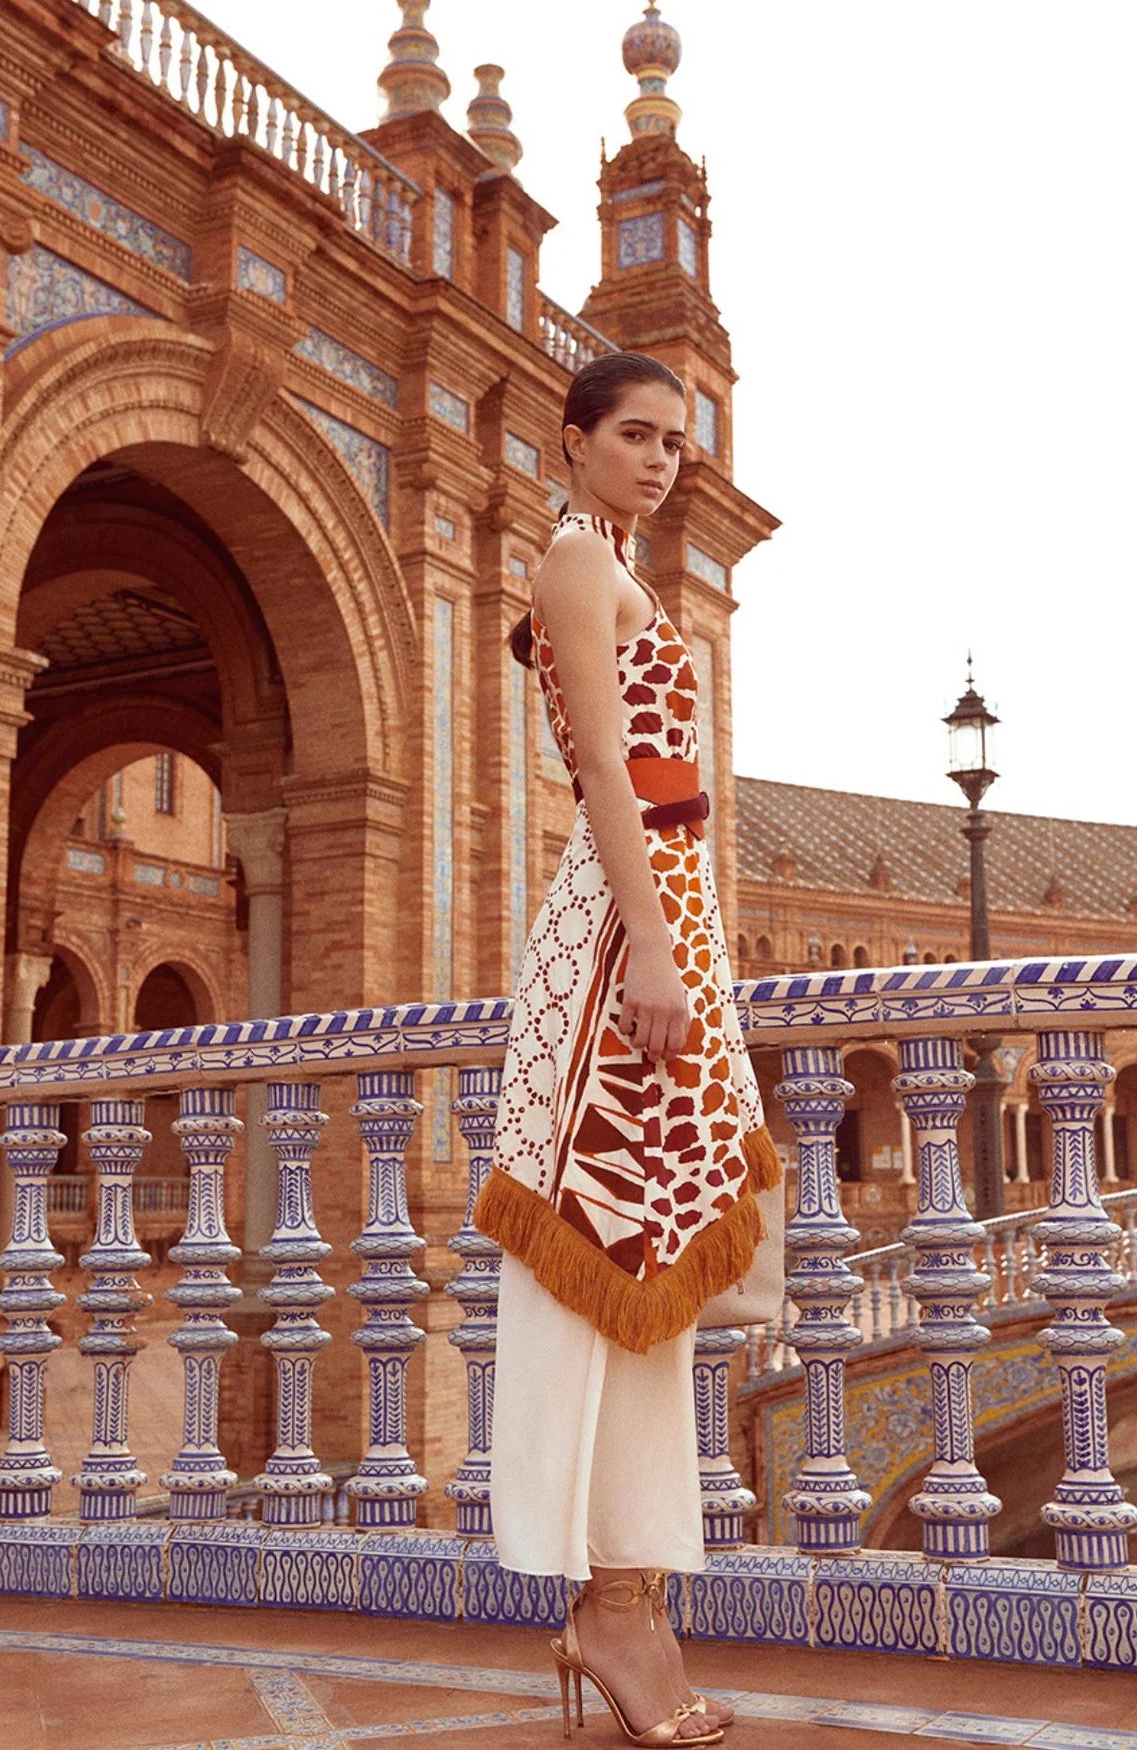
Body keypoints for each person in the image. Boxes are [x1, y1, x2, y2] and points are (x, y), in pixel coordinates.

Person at [473, 351, 779, 1746]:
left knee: (646, 1274)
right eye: (636, 434)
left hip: (666, 922)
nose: (662, 457)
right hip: (622, 931)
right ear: (577, 440)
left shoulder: (619, 568)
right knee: (606, 1264)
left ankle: (631, 1599)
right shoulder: (576, 570)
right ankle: (612, 1611)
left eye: (675, 439)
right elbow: (603, 768)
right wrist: (655, 949)